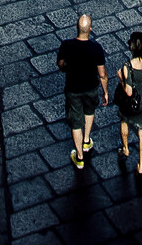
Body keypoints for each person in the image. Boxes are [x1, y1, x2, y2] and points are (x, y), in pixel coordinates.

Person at [56, 14, 109, 170]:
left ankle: (79, 157)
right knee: (89, 110)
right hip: (91, 87)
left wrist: (66, 68)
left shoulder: (66, 45)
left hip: (73, 89)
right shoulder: (96, 48)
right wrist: (105, 91)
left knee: (75, 122)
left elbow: (60, 64)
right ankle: (86, 140)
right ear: (90, 30)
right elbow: (102, 74)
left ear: (76, 27)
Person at [115, 29, 142, 178]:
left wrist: (121, 78)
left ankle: (125, 148)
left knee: (124, 120)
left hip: (131, 106)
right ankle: (140, 165)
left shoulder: (128, 66)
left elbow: (128, 91)